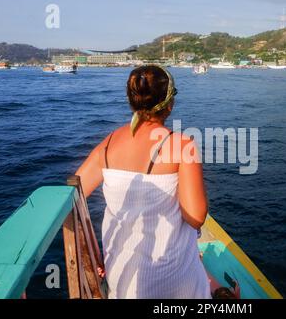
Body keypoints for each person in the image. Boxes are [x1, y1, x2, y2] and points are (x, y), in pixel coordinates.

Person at [76, 65, 211, 299]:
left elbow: (72, 194)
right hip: (169, 278)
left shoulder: (109, 143)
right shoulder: (181, 145)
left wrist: (91, 249)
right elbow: (196, 217)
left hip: (120, 272)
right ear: (169, 103)